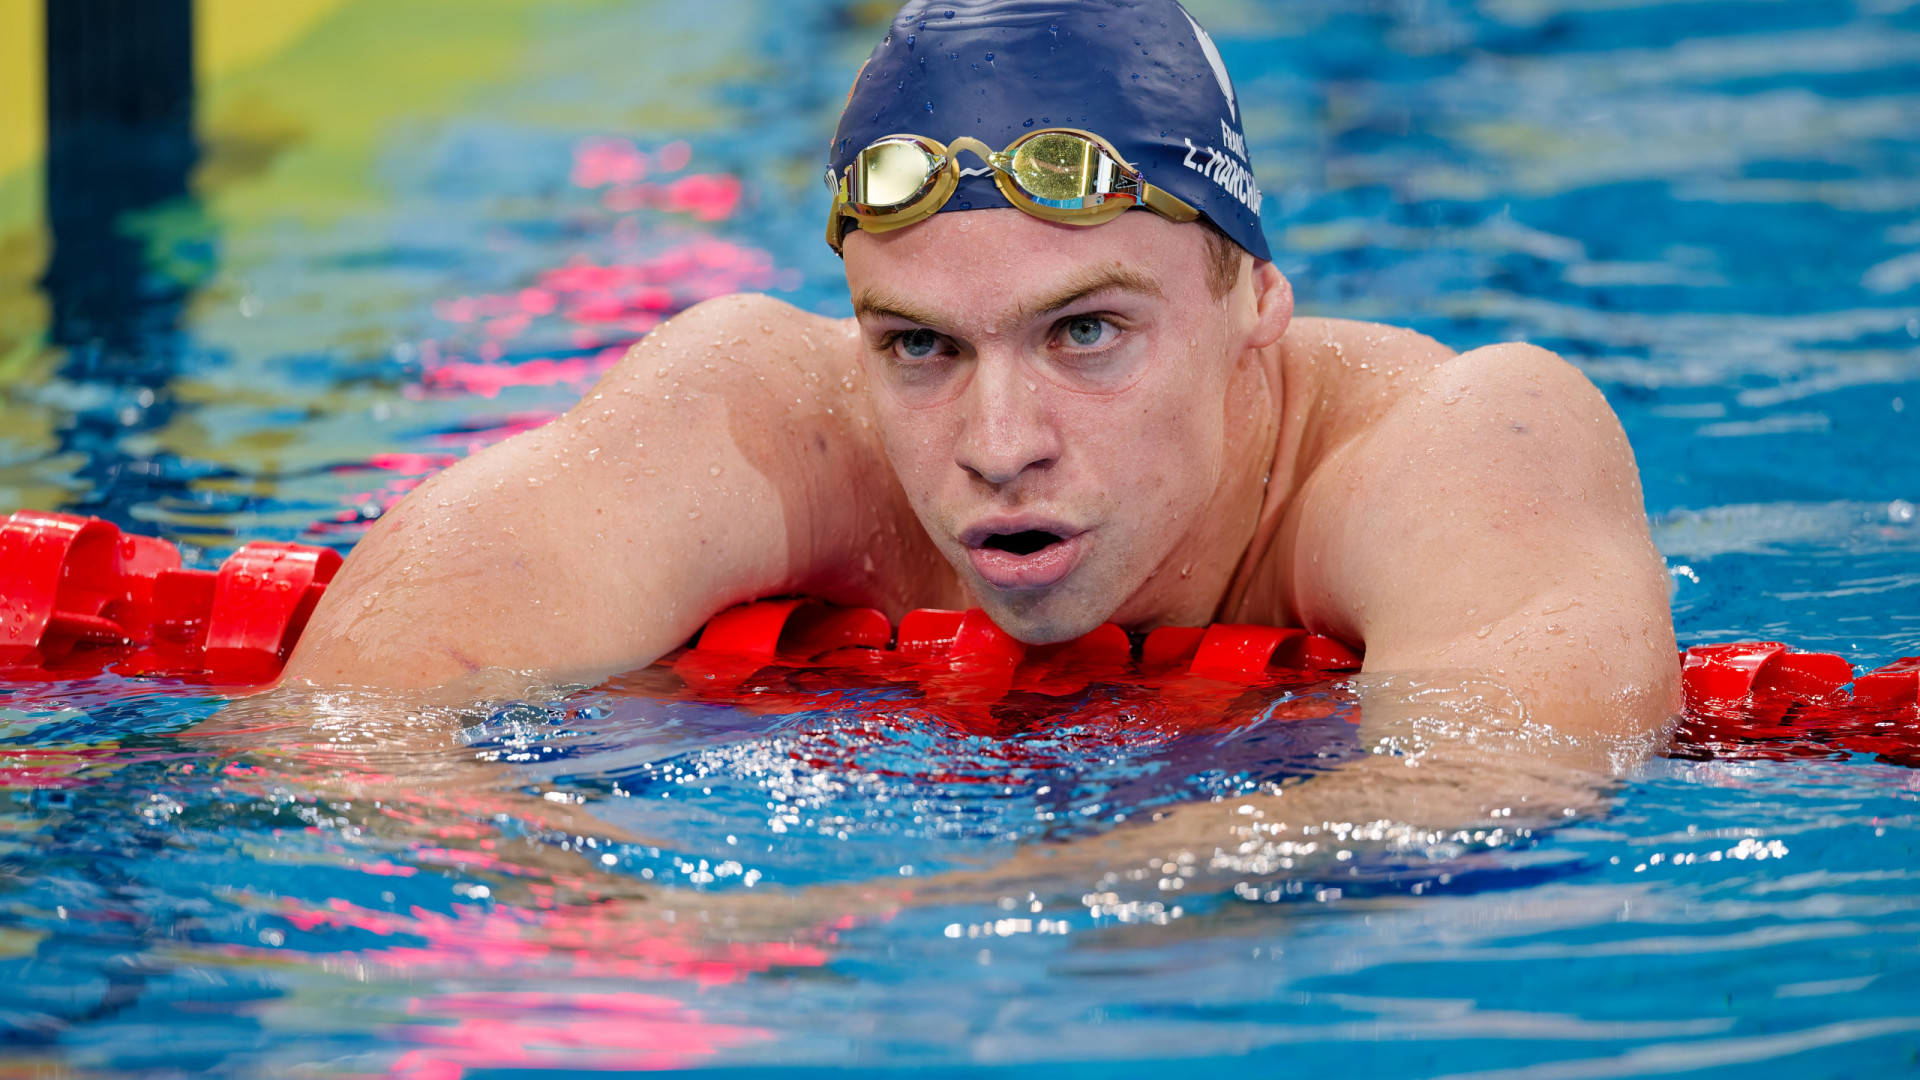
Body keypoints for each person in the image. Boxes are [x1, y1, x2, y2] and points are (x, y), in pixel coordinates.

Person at [283, 0, 1679, 820]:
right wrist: (601, 911)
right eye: (922, 347)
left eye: (1087, 332)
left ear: (1256, 300)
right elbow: (342, 725)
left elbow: (1507, 781)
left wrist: (951, 914)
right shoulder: (770, 414)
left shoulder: (1462, 443)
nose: (999, 444)